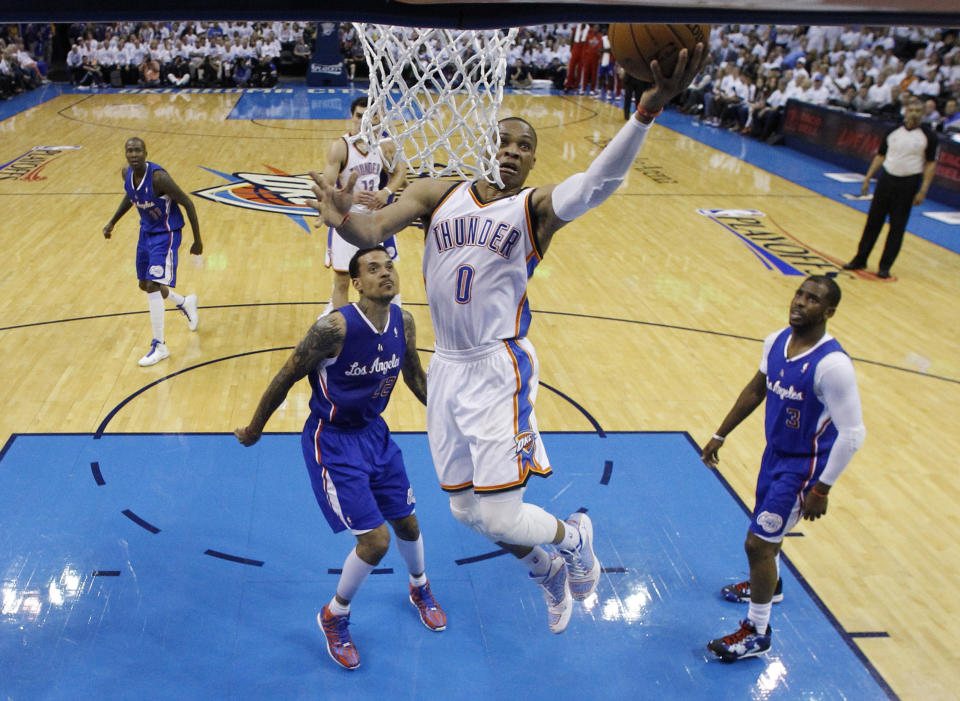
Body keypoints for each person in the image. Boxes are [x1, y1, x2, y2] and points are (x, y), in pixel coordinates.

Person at [308, 45, 705, 633]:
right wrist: (338, 213)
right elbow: (369, 230)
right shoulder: (436, 193)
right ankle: (546, 569)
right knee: (465, 509)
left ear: (533, 160)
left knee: (499, 513)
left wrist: (643, 113)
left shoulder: (534, 208)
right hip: (446, 365)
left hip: (498, 366)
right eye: (503, 142)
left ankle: (573, 538)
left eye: (524, 147)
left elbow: (597, 185)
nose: (512, 153)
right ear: (483, 143)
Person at [234, 246, 445, 671]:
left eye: (389, 266)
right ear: (357, 283)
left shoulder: (404, 322)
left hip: (376, 436)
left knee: (408, 522)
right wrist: (255, 428)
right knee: (376, 541)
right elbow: (286, 375)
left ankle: (419, 586)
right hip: (332, 442)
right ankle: (335, 616)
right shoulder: (333, 329)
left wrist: (447, 420)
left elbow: (415, 377)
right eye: (373, 269)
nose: (385, 273)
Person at [701, 275, 865, 663]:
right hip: (774, 456)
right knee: (766, 534)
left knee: (757, 544)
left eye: (812, 300)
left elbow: (853, 434)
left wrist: (822, 488)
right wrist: (720, 434)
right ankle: (770, 587)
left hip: (804, 469)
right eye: (799, 294)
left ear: (828, 312)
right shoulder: (776, 341)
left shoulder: (832, 365)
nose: (799, 303)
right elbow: (756, 389)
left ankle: (757, 632)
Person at [102, 137, 202, 366]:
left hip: (167, 233)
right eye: (130, 151)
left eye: (138, 150)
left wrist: (197, 240)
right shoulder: (126, 173)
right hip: (146, 232)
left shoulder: (159, 178)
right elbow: (131, 195)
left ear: (146, 152)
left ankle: (160, 345)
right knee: (144, 284)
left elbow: (188, 203)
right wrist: (112, 222)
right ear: (125, 154)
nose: (134, 154)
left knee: (152, 285)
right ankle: (185, 302)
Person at [322, 97, 406, 315]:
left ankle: (392, 321)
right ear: (352, 117)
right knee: (342, 279)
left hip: (377, 220)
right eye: (359, 116)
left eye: (370, 117)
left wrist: (386, 191)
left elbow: (400, 173)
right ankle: (343, 328)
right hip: (347, 220)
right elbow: (326, 188)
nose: (363, 121)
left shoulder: (385, 144)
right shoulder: (340, 148)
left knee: (387, 273)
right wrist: (347, 196)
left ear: (379, 119)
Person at [843, 97, 938, 278]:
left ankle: (885, 266)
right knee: (873, 222)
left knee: (897, 227)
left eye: (918, 111)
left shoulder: (928, 136)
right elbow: (880, 156)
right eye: (911, 110)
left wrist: (923, 190)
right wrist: (868, 178)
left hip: (908, 183)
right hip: (886, 180)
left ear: (923, 114)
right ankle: (860, 258)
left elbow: (931, 164)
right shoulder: (893, 131)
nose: (914, 114)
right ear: (905, 111)